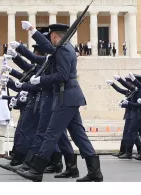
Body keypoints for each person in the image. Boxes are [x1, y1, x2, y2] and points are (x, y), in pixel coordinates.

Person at [16, 22, 103, 182]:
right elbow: (47, 48)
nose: (50, 40)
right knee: (78, 135)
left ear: (55, 36)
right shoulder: (65, 47)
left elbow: (62, 75)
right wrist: (32, 30)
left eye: (51, 37)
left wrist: (40, 79)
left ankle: (36, 170)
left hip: (65, 97)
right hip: (70, 97)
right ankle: (93, 170)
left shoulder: (63, 50)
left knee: (51, 133)